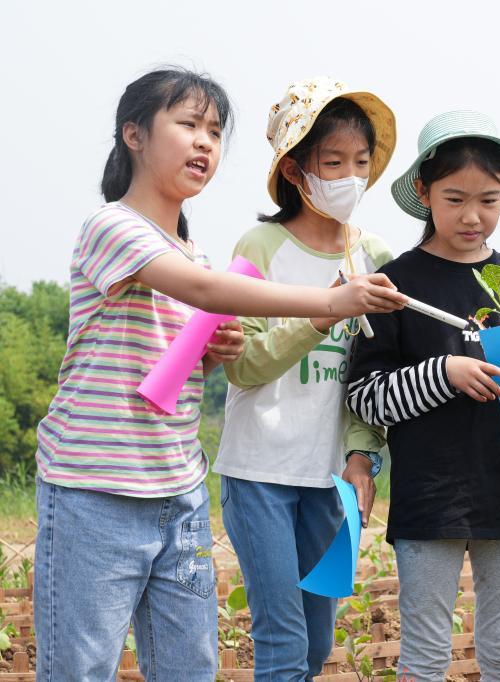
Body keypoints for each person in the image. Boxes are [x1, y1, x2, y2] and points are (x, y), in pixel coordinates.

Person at [34, 67, 405, 681]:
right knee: (80, 669)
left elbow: (176, 352)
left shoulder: (191, 250)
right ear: (134, 135)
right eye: (187, 125)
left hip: (176, 490)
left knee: (190, 669)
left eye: (214, 131)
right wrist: (332, 303)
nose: (206, 143)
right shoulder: (113, 227)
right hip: (94, 487)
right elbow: (207, 291)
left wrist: (212, 352)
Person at [346, 111, 500, 682]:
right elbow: (364, 398)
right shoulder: (395, 284)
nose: (473, 216)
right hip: (430, 496)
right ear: (425, 193)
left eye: (488, 199)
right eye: (455, 199)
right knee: (426, 656)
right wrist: (444, 373)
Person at [215, 77, 397, 681]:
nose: (350, 175)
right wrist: (327, 312)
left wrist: (362, 455)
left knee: (317, 644)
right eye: (333, 162)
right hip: (259, 471)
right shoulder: (261, 246)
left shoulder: (376, 255)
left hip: (330, 479)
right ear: (295, 171)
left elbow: (377, 373)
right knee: (283, 640)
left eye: (361, 162)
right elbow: (244, 365)